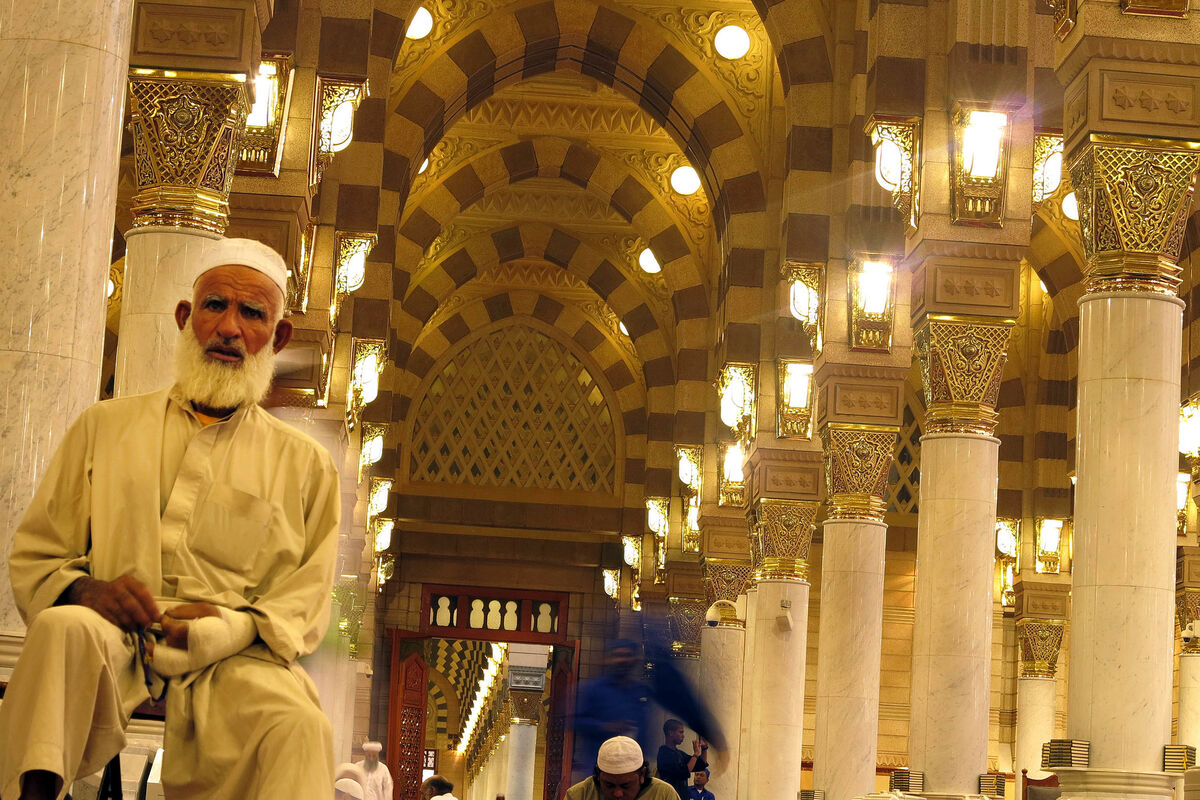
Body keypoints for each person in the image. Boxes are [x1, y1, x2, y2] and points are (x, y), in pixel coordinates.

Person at [0, 238, 341, 800]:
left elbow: (305, 598)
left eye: (252, 314)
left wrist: (233, 627)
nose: (229, 328)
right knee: (62, 631)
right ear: (186, 317)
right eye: (215, 306)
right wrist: (86, 590)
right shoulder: (104, 426)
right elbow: (40, 551)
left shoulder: (306, 465)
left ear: (278, 337)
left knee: (300, 725)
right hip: (113, 635)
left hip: (233, 655)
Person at [572, 640, 652, 781]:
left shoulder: (639, 691)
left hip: (631, 770)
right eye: (618, 655)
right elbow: (577, 721)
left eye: (627, 655)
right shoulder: (593, 688)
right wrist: (605, 727)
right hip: (598, 768)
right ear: (608, 659)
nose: (623, 660)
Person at [565, 735, 678, 800]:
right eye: (609, 785)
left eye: (626, 786)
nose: (618, 794)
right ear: (598, 776)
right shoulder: (580, 795)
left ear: (642, 775)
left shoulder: (663, 794)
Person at [656, 720, 707, 799]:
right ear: (671, 733)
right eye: (680, 732)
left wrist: (704, 748)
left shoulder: (679, 753)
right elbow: (683, 772)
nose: (683, 736)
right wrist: (695, 754)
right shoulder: (664, 753)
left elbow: (701, 765)